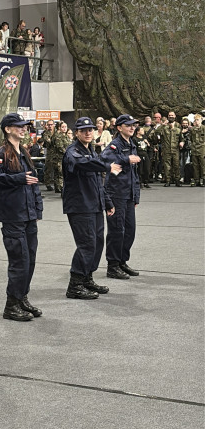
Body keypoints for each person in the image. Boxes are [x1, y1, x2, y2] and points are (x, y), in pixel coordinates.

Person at [0, 113, 43, 321]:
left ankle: (21, 298)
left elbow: (33, 181)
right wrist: (17, 178)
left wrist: (37, 209)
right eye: (18, 126)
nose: (23, 129)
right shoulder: (3, 152)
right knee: (19, 260)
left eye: (24, 126)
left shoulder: (23, 152)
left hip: (27, 214)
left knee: (31, 260)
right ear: (8, 129)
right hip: (13, 215)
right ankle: (11, 304)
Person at [62, 117, 121, 299]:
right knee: (86, 244)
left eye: (91, 130)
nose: (88, 133)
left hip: (94, 204)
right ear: (76, 133)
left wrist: (107, 202)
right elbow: (83, 165)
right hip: (80, 206)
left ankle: (87, 277)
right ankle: (75, 284)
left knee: (96, 243)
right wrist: (106, 166)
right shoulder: (73, 152)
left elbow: (97, 181)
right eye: (84, 130)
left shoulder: (91, 151)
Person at [101, 115, 141, 280]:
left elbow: (134, 173)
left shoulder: (131, 144)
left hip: (128, 194)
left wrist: (136, 195)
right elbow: (104, 160)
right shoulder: (114, 145)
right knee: (117, 230)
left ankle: (122, 261)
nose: (132, 128)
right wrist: (125, 159)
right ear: (119, 128)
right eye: (128, 125)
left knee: (130, 230)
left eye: (133, 125)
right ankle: (113, 265)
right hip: (116, 194)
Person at [190, 114, 205, 186]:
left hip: (202, 149)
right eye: (195, 120)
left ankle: (203, 179)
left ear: (201, 120)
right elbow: (191, 139)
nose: (196, 121)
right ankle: (196, 180)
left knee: (203, 165)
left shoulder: (204, 128)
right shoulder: (192, 129)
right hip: (194, 149)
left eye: (198, 120)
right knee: (195, 165)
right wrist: (192, 146)